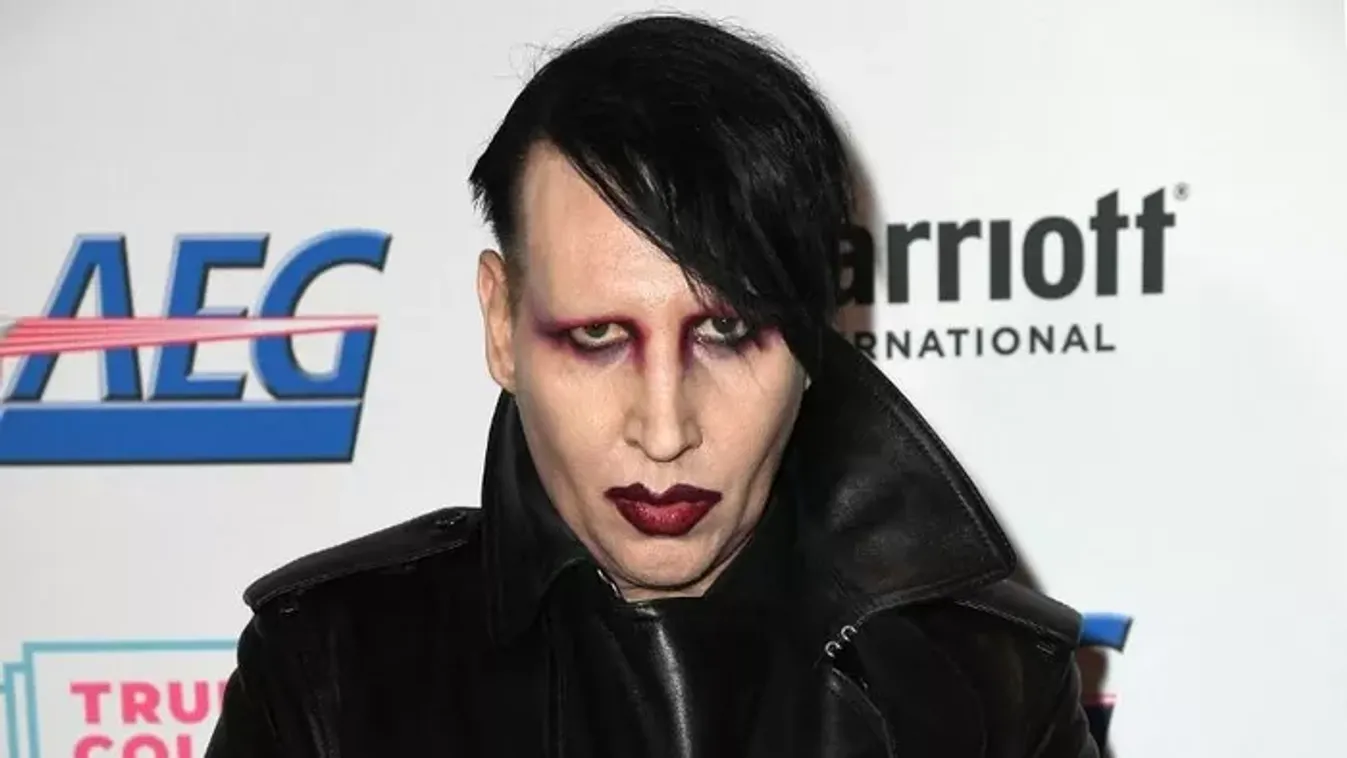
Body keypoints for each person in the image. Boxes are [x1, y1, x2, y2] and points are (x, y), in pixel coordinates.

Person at [205, 13, 1099, 758]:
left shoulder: (990, 682)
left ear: (810, 336)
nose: (665, 430)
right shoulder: (330, 668)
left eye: (726, 332)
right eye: (597, 337)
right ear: (501, 326)